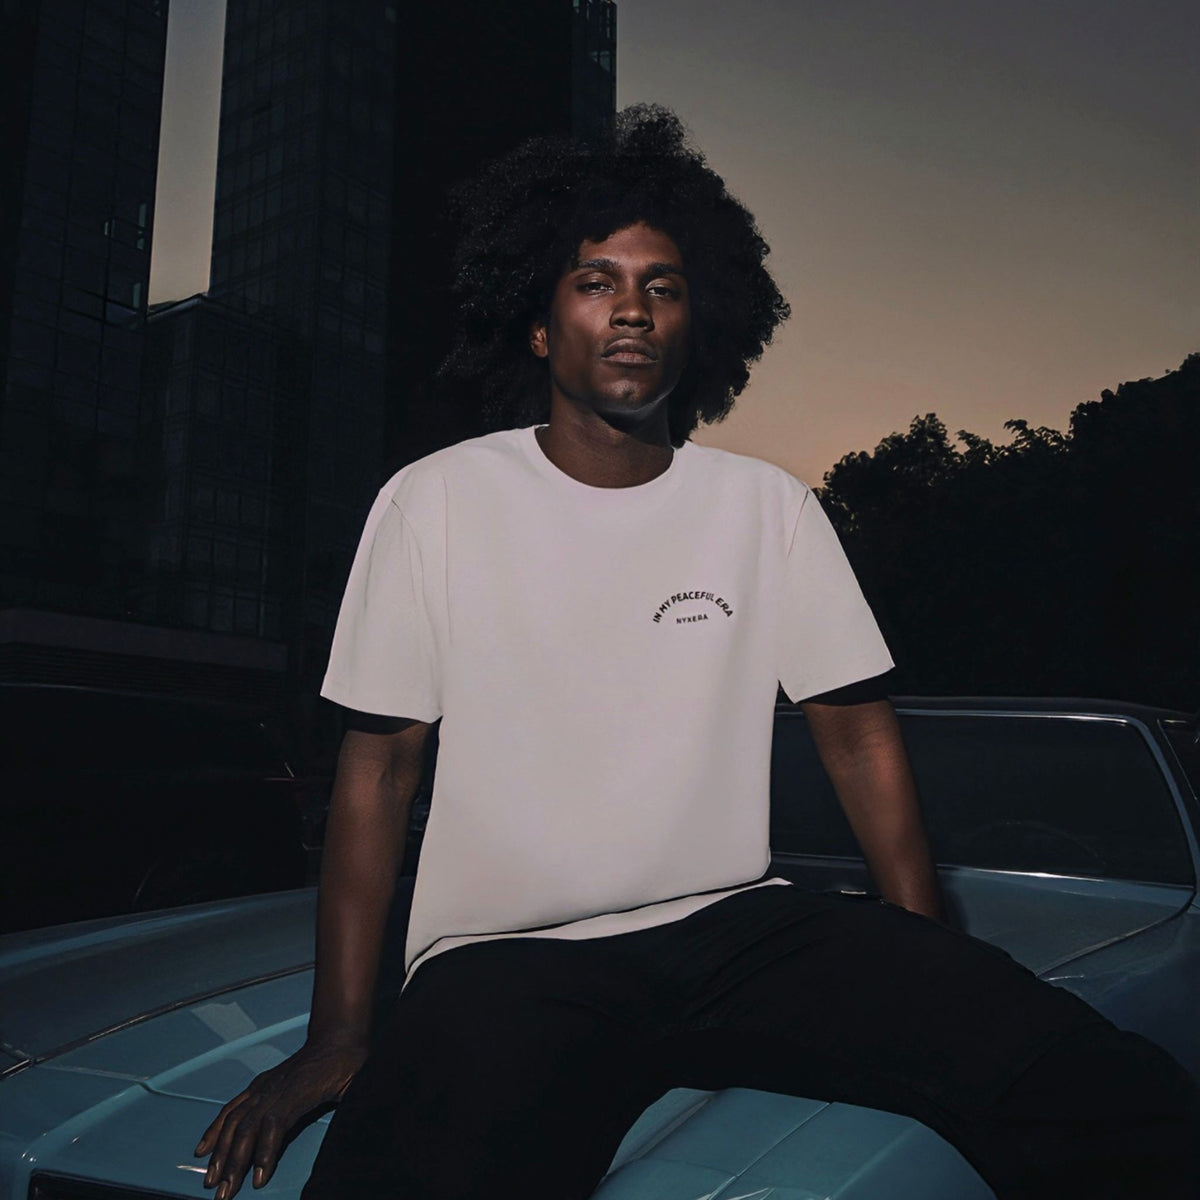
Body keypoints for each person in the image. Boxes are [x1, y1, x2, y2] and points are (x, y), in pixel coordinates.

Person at [195, 106, 1199, 1199]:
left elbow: (859, 739)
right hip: (505, 963)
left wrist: (925, 955)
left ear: (695, 325)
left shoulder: (764, 506)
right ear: (536, 326)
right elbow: (378, 769)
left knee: (1105, 1086)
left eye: (662, 286)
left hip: (735, 931)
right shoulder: (437, 500)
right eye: (595, 281)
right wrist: (340, 1032)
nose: (632, 307)